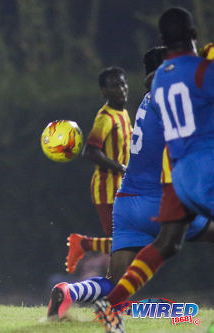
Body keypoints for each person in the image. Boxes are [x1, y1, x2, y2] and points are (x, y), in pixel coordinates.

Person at [48, 47, 214, 324]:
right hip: (156, 202)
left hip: (126, 203)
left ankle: (69, 291)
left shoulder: (147, 102)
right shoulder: (172, 100)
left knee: (116, 284)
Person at [95, 7, 214, 332]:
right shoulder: (201, 72)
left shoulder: (159, 82)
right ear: (193, 35)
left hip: (141, 194)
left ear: (163, 40)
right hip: (189, 179)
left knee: (166, 245)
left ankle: (110, 305)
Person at [65, 67, 132, 274]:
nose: (121, 89)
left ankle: (85, 244)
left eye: (123, 84)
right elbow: (90, 152)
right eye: (115, 86)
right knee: (124, 247)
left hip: (126, 189)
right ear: (104, 91)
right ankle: (114, 301)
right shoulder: (105, 118)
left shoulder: (124, 113)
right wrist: (121, 168)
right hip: (108, 192)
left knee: (136, 242)